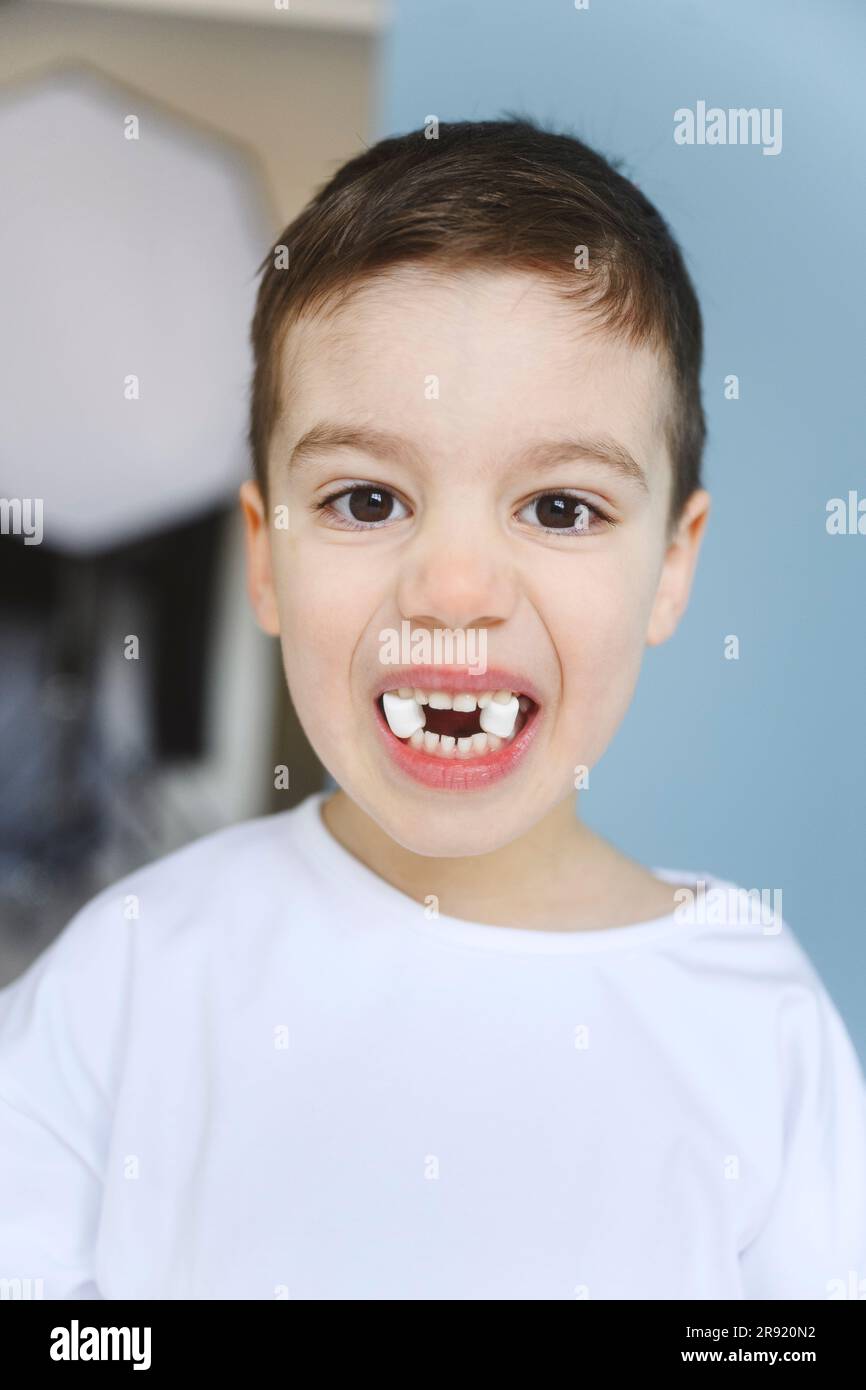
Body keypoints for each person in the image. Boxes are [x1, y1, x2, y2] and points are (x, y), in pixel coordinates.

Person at [1, 118, 864, 1300]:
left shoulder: (756, 1027)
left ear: (672, 565)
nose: (452, 587)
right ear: (264, 557)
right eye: (366, 498)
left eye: (559, 509)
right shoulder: (129, 979)